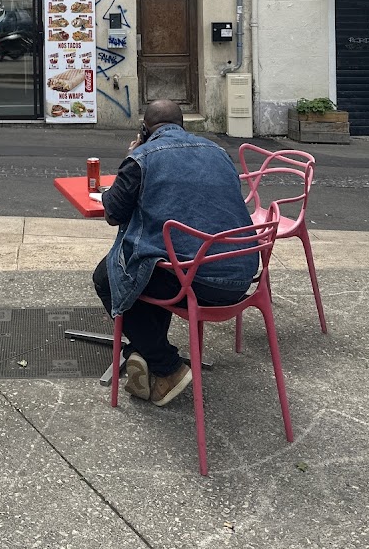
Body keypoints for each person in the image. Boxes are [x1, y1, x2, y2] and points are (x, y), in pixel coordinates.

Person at [93, 99, 259, 407]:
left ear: (145, 130)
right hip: (241, 278)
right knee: (155, 265)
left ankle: (167, 366)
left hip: (193, 283)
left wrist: (132, 156)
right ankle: (140, 352)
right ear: (182, 125)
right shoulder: (219, 153)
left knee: (110, 277)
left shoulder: (142, 157)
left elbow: (114, 212)